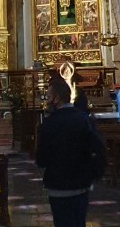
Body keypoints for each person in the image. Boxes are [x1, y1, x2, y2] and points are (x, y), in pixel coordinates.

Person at [36, 76, 104, 227]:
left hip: (57, 185)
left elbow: (40, 160)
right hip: (81, 184)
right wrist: (94, 174)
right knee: (79, 222)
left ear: (57, 98)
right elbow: (99, 148)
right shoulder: (84, 120)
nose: (46, 100)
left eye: (48, 97)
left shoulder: (48, 124)